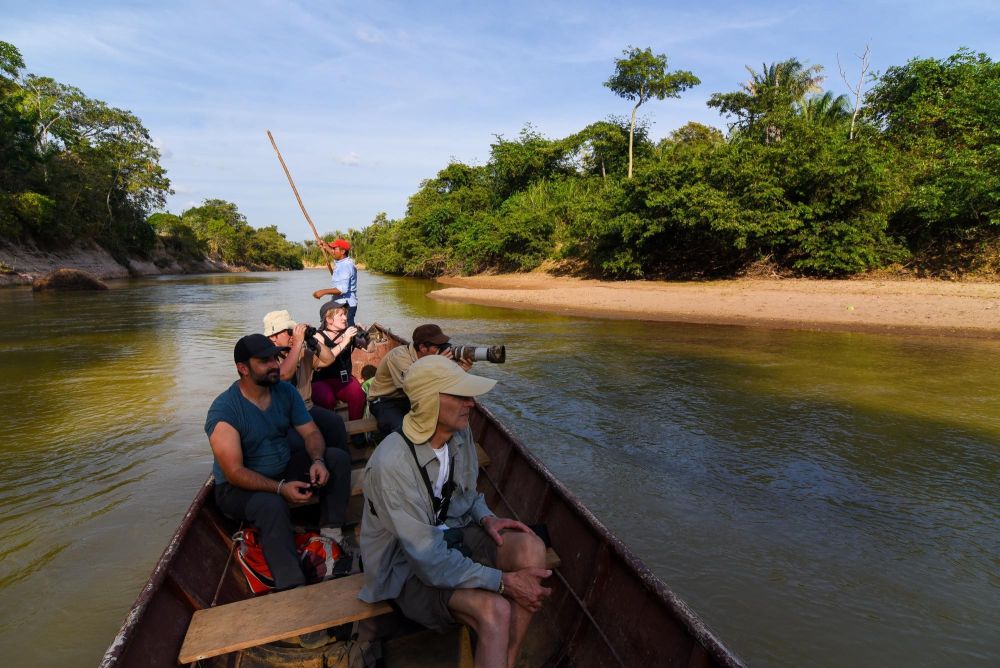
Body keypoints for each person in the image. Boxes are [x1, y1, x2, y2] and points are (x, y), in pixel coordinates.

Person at [359, 355, 551, 668]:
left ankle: (507, 660)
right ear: (430, 402)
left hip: (450, 535)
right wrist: (502, 581)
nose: (471, 404)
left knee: (531, 547)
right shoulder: (391, 463)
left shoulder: (460, 435)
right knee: (495, 610)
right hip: (405, 563)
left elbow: (467, 494)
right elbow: (428, 559)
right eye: (460, 395)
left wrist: (486, 516)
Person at [205, 334, 353, 589]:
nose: (275, 364)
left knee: (336, 459)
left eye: (275, 357)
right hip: (237, 487)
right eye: (264, 361)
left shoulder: (284, 391)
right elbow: (233, 471)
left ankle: (331, 532)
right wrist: (279, 488)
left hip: (281, 468)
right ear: (243, 368)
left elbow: (311, 432)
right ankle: (291, 584)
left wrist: (317, 460)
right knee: (270, 505)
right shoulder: (225, 410)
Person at [263, 309, 348, 453]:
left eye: (293, 331)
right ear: (273, 336)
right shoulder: (266, 358)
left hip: (306, 408)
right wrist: (297, 344)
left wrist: (312, 340)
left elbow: (329, 359)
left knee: (336, 422)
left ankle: (337, 458)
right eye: (289, 332)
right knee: (296, 442)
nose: (293, 335)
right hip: (282, 413)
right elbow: (282, 375)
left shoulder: (302, 352)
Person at [366, 324, 472, 435]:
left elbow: (443, 385)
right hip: (385, 400)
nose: (442, 350)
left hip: (410, 399)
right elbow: (413, 387)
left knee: (445, 420)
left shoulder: (434, 359)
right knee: (401, 432)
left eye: (443, 345)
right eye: (437, 347)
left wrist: (460, 371)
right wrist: (437, 364)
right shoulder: (399, 356)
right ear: (422, 348)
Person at [310, 301, 367, 421]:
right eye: (341, 315)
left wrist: (365, 335)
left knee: (358, 394)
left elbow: (370, 349)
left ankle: (356, 431)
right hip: (321, 381)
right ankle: (331, 428)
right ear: (329, 319)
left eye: (345, 314)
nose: (345, 318)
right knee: (326, 398)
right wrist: (345, 340)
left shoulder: (348, 334)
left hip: (343, 380)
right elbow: (327, 358)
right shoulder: (317, 336)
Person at [312, 238, 358, 326]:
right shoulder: (342, 262)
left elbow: (342, 290)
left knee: (346, 330)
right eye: (332, 249)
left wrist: (322, 292)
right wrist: (325, 246)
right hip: (341, 303)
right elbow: (334, 254)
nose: (332, 251)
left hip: (346, 304)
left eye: (334, 249)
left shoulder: (345, 266)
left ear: (343, 251)